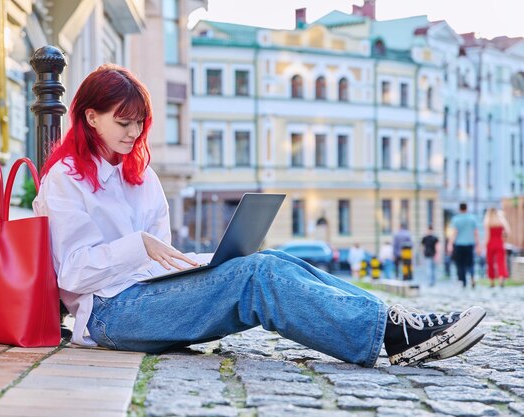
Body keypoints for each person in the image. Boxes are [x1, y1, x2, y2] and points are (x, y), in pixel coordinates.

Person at [33, 64, 486, 368]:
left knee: (272, 262)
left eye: (140, 123)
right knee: (257, 280)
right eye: (122, 122)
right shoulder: (65, 179)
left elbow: (159, 261)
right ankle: (392, 337)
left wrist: (202, 262)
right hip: (110, 315)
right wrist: (139, 247)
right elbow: (71, 274)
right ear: (90, 117)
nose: (134, 134)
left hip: (149, 296)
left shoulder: (140, 176)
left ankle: (392, 320)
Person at [447, 203, 480, 288]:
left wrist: (450, 244)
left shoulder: (456, 219)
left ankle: (463, 281)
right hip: (470, 244)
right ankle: (472, 276)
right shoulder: (472, 218)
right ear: (467, 208)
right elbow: (475, 232)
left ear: (459, 209)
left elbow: (454, 233)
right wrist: (478, 244)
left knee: (460, 264)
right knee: (470, 263)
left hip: (459, 244)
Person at [483, 208, 510, 288]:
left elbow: (487, 236)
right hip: (500, 243)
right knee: (501, 262)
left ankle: (492, 282)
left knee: (490, 262)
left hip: (490, 244)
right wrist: (503, 238)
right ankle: (501, 279)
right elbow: (508, 231)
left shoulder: (488, 221)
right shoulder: (501, 220)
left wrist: (484, 244)